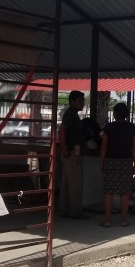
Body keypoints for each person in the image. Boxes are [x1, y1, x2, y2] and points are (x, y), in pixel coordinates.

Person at [99, 102, 135, 227]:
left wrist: (102, 163)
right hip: (126, 162)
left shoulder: (108, 127)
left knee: (109, 192)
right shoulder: (132, 128)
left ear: (115, 114)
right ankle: (124, 220)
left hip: (110, 161)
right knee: (125, 192)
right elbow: (134, 148)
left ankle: (107, 220)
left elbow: (104, 147)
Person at [58, 90, 89, 219]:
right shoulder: (71, 115)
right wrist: (65, 148)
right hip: (71, 153)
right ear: (72, 101)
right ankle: (75, 211)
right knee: (75, 183)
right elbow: (62, 131)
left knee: (66, 183)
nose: (82, 103)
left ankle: (64, 210)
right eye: (80, 101)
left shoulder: (72, 114)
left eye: (83, 101)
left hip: (69, 152)